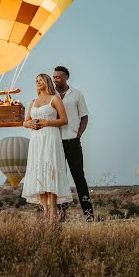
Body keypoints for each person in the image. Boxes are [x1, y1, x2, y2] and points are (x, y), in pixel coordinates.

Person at [22, 73, 72, 223]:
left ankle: (53, 211)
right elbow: (24, 122)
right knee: (39, 171)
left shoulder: (54, 99)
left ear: (47, 82)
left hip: (50, 137)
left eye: (40, 80)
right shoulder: (33, 102)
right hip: (36, 139)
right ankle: (45, 210)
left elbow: (64, 120)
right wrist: (28, 124)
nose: (38, 82)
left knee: (50, 170)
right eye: (36, 80)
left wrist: (47, 123)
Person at [53, 66, 94, 222]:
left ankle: (89, 214)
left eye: (59, 77)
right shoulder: (51, 95)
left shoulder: (77, 94)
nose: (56, 79)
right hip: (55, 141)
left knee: (79, 178)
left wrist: (79, 134)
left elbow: (84, 117)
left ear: (66, 77)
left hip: (72, 141)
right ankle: (61, 214)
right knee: (59, 178)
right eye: (54, 77)